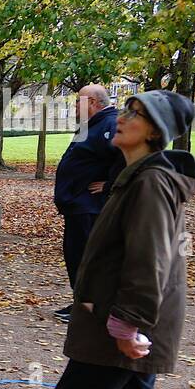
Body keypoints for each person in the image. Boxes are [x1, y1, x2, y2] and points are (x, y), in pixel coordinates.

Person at [26, 90, 195, 389]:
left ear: (156, 130)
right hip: (131, 322)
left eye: (135, 115)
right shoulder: (136, 175)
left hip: (123, 325)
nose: (121, 119)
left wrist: (127, 325)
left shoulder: (150, 182)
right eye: (125, 110)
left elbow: (150, 260)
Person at [53, 85, 119, 322]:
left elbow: (128, 157)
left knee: (86, 257)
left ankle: (91, 307)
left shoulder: (111, 124)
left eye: (77, 102)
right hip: (77, 205)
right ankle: (81, 302)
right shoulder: (93, 125)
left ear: (91, 102)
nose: (73, 107)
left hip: (89, 206)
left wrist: (110, 184)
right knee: (75, 256)